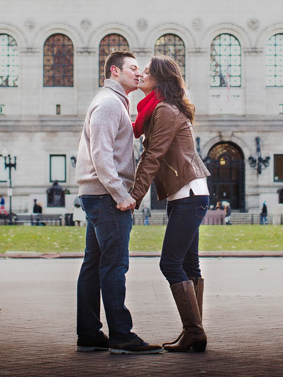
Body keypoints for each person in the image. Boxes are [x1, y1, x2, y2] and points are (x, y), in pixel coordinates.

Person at [75, 50, 161, 355]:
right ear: (115, 71)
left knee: (94, 264)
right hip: (106, 197)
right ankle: (121, 335)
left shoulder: (114, 103)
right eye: (132, 69)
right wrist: (121, 195)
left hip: (97, 194)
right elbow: (101, 154)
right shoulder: (110, 104)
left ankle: (88, 334)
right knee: (114, 265)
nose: (138, 74)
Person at [130, 55, 211, 353]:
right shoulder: (159, 108)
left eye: (147, 72)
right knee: (189, 263)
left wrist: (134, 196)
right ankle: (194, 331)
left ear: (160, 79)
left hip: (188, 194)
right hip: (188, 194)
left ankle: (194, 330)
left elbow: (152, 156)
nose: (141, 75)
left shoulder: (164, 110)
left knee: (170, 263)